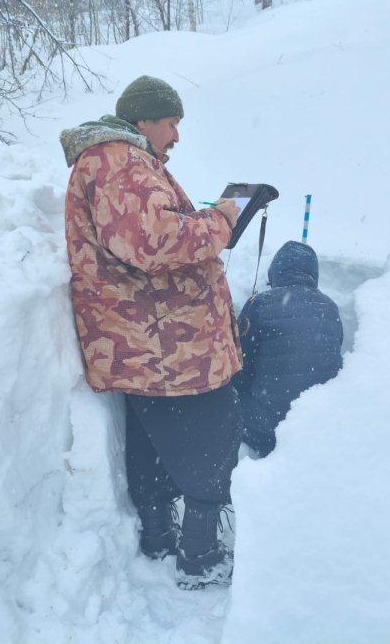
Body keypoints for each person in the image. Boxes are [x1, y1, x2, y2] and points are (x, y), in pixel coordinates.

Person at [60, 75, 243, 589]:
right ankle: (202, 557)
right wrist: (221, 220)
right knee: (210, 438)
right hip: (166, 345)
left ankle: (160, 538)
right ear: (144, 119)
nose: (176, 137)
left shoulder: (118, 162)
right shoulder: (120, 161)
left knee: (154, 443)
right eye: (172, 123)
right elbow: (157, 243)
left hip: (149, 342)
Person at [233, 240, 343, 457]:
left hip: (264, 428)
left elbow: (237, 366)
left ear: (275, 271)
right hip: (319, 425)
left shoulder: (259, 304)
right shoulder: (330, 307)